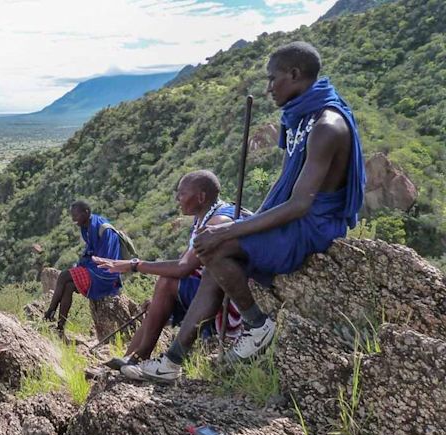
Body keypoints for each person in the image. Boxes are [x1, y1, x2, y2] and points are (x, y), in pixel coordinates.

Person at [122, 41, 366, 382]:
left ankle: (256, 325)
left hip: (312, 227)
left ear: (295, 75)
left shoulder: (326, 125)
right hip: (295, 219)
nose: (268, 88)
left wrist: (230, 229)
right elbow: (284, 184)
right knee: (212, 257)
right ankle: (173, 362)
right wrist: (246, 225)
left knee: (217, 245)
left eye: (273, 79)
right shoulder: (301, 118)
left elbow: (299, 204)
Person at [92, 170, 240, 369]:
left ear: (201, 197)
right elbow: (189, 263)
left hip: (229, 302)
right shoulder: (205, 217)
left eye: (182, 193)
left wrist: (134, 265)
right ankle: (128, 360)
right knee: (157, 302)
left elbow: (183, 268)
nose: (177, 199)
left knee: (166, 282)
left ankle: (140, 358)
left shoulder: (217, 222)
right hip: (212, 291)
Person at [44, 201, 123, 333]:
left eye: (76, 215)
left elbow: (107, 260)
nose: (73, 219)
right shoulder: (86, 227)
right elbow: (90, 251)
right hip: (94, 268)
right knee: (68, 286)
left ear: (86, 212)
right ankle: (60, 327)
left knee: (64, 275)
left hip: (104, 274)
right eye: (72, 216)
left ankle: (50, 311)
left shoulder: (104, 228)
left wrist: (85, 264)